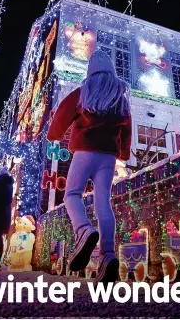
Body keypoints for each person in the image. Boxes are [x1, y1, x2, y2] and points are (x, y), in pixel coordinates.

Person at [47, 50, 132, 284]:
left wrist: (54, 135)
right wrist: (123, 152)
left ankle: (83, 229)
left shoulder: (84, 91)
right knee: (103, 201)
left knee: (71, 194)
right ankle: (108, 255)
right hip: (108, 157)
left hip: (85, 151)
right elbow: (127, 127)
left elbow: (63, 113)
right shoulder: (120, 97)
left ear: (90, 69)